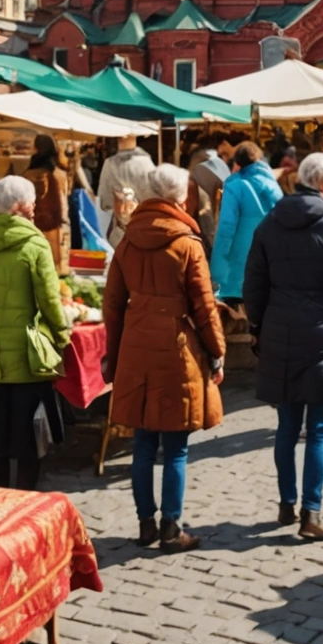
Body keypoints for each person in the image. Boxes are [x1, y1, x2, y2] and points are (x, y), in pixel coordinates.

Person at [242, 153, 323, 541]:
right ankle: (310, 512)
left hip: (281, 329)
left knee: (286, 426)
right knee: (319, 428)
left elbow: (254, 285)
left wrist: (258, 326)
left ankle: (286, 503)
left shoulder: (269, 224)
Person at [102, 165, 226, 553]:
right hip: (177, 346)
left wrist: (114, 350)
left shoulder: (127, 241)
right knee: (175, 446)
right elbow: (205, 306)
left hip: (138, 344)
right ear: (180, 198)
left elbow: (112, 305)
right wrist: (218, 351)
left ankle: (145, 523)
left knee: (143, 441)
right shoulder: (187, 243)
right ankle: (171, 528)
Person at [0, 175, 71, 490]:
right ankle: (22, 502)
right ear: (20, 207)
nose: (35, 209)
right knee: (28, 444)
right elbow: (49, 301)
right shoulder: (35, 245)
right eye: (32, 203)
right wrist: (61, 337)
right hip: (27, 362)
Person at [212, 142, 282, 305]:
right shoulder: (274, 186)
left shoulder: (234, 186)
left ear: (237, 163)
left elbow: (226, 229)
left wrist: (217, 267)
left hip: (241, 259)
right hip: (270, 256)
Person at [98, 134, 156, 251]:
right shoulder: (148, 164)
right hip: (145, 229)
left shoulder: (109, 164)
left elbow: (105, 202)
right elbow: (154, 199)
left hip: (121, 233)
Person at [25, 135, 72, 268]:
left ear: (37, 149)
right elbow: (64, 202)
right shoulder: (60, 174)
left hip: (34, 226)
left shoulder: (28, 174)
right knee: (55, 266)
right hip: (57, 225)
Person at [186, 135, 229, 254]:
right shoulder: (217, 162)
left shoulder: (197, 159)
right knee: (208, 223)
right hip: (209, 199)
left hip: (197, 195)